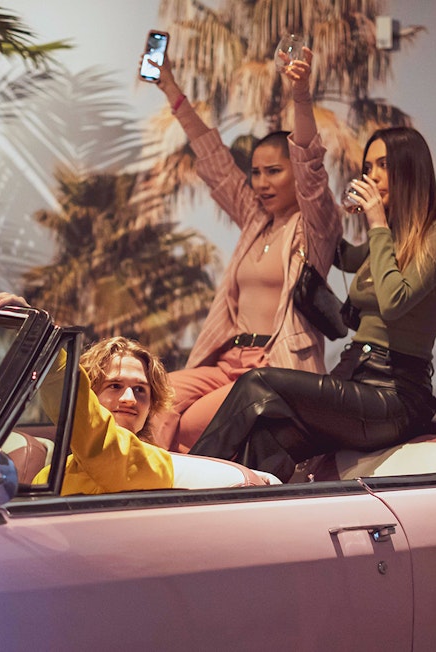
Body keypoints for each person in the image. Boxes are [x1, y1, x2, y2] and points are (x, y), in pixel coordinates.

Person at [188, 126, 436, 482]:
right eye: (368, 166)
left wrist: (376, 221)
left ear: (411, 169)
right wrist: (321, 214)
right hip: (355, 374)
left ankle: (181, 484)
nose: (373, 175)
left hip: (394, 393)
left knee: (259, 382)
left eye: (384, 164)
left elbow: (396, 300)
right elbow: (342, 253)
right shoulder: (387, 238)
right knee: (266, 437)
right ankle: (242, 522)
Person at [146, 49, 342, 453]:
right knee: (156, 405)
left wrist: (300, 96)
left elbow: (310, 167)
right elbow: (213, 158)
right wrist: (170, 88)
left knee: (189, 427)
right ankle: (146, 489)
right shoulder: (255, 220)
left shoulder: (314, 228)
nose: (262, 182)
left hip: (276, 366)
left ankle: (173, 500)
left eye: (274, 171)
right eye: (255, 172)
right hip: (228, 361)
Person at [0, 292, 175, 495]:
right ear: (90, 394)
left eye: (140, 390)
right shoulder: (49, 476)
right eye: (114, 386)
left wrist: (39, 335)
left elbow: (96, 437)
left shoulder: (156, 466)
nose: (129, 399)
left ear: (150, 407)